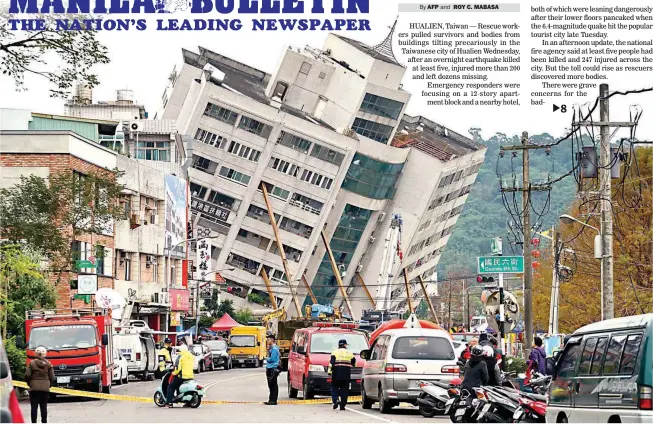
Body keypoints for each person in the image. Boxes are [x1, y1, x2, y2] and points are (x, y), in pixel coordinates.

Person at [25, 346, 54, 423]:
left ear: (36, 353)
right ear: (45, 354)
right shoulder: (49, 364)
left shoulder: (31, 363)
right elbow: (52, 377)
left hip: (34, 388)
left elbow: (27, 375)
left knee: (34, 407)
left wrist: (29, 383)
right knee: (43, 406)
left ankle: (34, 422)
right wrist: (49, 385)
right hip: (45, 388)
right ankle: (44, 421)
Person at [328, 339, 355, 410]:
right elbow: (354, 363)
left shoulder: (334, 352)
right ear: (345, 345)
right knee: (344, 389)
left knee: (334, 387)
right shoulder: (350, 353)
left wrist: (329, 372)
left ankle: (336, 400)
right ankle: (343, 405)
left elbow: (331, 363)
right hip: (346, 374)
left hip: (336, 374)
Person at [265, 333, 280, 406]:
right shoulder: (271, 348)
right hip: (270, 367)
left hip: (273, 368)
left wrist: (267, 359)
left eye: (268, 340)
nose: (267, 341)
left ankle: (273, 400)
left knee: (273, 385)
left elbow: (272, 359)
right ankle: (271, 399)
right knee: (271, 385)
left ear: (272, 340)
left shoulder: (274, 349)